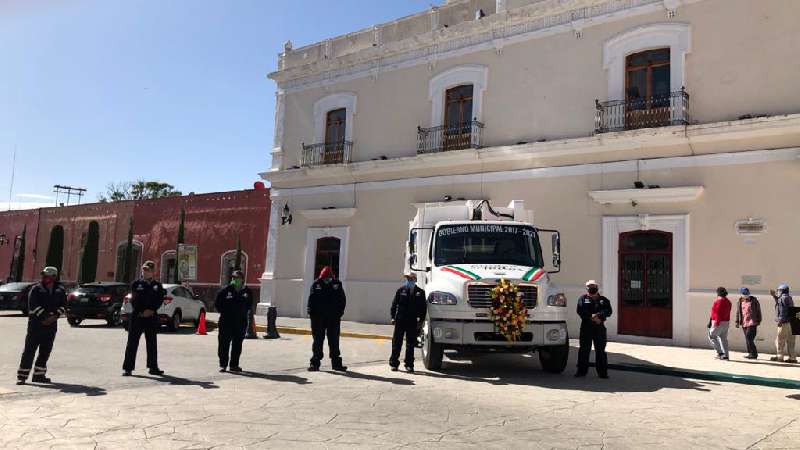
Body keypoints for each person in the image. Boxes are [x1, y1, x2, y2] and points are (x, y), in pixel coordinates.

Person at [16, 266, 67, 385]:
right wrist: (44, 318)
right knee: (29, 350)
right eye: (44, 275)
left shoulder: (60, 289)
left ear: (54, 277)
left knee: (45, 350)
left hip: (51, 326)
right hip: (36, 325)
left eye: (47, 276)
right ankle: (22, 376)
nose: (45, 278)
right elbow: (33, 306)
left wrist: (54, 316)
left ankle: (39, 375)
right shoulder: (36, 289)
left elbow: (63, 305)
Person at [122, 261, 166, 376]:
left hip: (151, 317)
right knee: (132, 342)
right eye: (144, 270)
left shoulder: (157, 285)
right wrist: (141, 311)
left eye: (148, 270)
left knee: (152, 343)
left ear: (153, 271)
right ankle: (128, 368)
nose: (145, 272)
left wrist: (151, 310)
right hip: (137, 316)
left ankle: (153, 367)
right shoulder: (136, 284)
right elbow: (134, 299)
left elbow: (160, 299)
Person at [307, 266, 347, 372]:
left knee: (334, 340)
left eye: (328, 278)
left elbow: (342, 300)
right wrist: (311, 313)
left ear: (332, 277)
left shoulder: (337, 285)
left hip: (333, 318)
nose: (326, 280)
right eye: (325, 278)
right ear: (321, 277)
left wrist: (339, 313)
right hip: (318, 318)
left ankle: (336, 364)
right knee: (317, 341)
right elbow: (311, 300)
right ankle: (314, 363)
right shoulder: (316, 285)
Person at [215, 270, 252, 372]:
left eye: (237, 278)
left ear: (242, 279)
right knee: (223, 344)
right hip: (226, 322)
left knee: (237, 344)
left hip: (240, 323)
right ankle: (223, 364)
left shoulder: (247, 291)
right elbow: (218, 303)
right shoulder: (226, 290)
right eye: (233, 278)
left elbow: (249, 305)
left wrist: (243, 313)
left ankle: (234, 365)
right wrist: (225, 312)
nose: (235, 280)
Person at [389, 273, 427, 372]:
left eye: (410, 279)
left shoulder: (420, 292)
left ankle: (409, 365)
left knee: (410, 344)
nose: (408, 281)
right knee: (397, 343)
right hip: (400, 320)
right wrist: (392, 317)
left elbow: (423, 308)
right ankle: (394, 363)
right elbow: (394, 304)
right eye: (407, 279)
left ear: (415, 280)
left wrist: (421, 321)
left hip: (412, 321)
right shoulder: (401, 290)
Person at [575, 280, 612, 379]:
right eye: (590, 286)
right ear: (587, 288)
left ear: (597, 287)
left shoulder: (603, 300)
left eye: (594, 286)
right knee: (584, 350)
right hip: (586, 328)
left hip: (599, 328)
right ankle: (581, 372)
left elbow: (608, 310)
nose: (592, 288)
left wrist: (599, 316)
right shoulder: (582, 299)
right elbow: (580, 310)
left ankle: (603, 373)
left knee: (600, 350)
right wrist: (591, 316)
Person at [770, 284, 796, 363]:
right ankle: (792, 358)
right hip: (794, 322)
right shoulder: (789, 297)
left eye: (779, 290)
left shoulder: (782, 298)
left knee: (779, 340)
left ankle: (780, 356)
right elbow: (781, 303)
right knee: (791, 341)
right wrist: (774, 296)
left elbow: (783, 310)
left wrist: (780, 320)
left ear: (782, 290)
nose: (778, 292)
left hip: (784, 322)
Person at [735, 287, 761, 359]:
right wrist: (737, 321)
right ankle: (750, 353)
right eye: (743, 293)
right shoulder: (740, 301)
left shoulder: (754, 300)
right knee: (747, 339)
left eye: (746, 293)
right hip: (744, 322)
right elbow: (738, 312)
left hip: (752, 322)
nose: (745, 295)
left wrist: (759, 320)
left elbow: (758, 310)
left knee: (749, 338)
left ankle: (754, 353)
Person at [708, 287, 732, 360]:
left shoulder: (718, 301)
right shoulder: (728, 301)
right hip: (726, 322)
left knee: (711, 336)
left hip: (718, 322)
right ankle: (726, 355)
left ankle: (720, 353)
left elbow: (717, 312)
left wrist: (715, 323)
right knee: (723, 338)